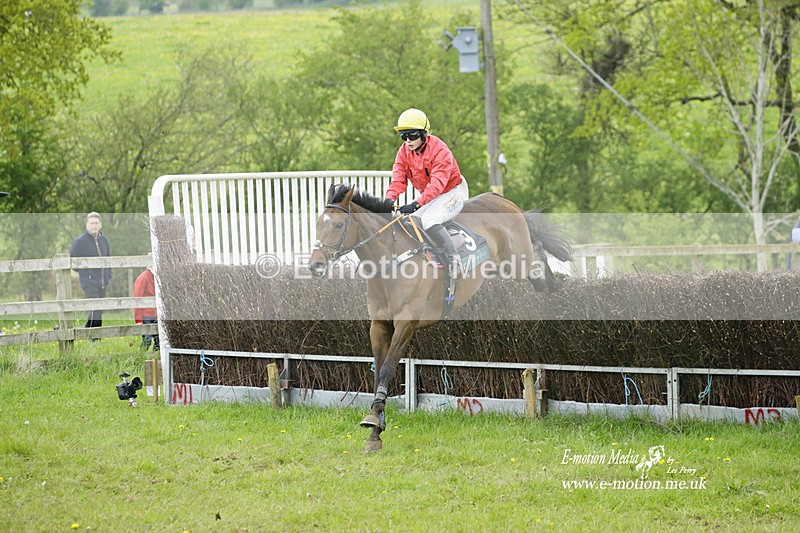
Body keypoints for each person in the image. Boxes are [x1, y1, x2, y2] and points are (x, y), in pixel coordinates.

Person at [385, 108, 469, 276]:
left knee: (430, 220)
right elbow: (398, 180)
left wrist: (416, 204)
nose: (408, 141)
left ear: (424, 134)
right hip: (431, 195)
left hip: (453, 191)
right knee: (411, 220)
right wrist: (388, 200)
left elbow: (437, 185)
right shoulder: (403, 152)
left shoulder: (440, 150)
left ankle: (455, 261)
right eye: (404, 136)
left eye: (412, 135)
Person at [70, 212, 112, 328]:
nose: (94, 225)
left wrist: (108, 274)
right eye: (91, 223)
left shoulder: (104, 240)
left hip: (103, 280)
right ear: (86, 225)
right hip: (89, 281)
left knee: (99, 308)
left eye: (96, 223)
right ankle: (95, 336)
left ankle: (88, 330)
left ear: (100, 225)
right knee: (96, 306)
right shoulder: (80, 241)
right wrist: (87, 272)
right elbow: (73, 262)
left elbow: (109, 259)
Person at [133, 265, 159, 350]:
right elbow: (137, 299)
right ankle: (141, 357)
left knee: (159, 341)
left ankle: (157, 359)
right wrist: (138, 319)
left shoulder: (157, 277)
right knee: (147, 340)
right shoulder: (143, 278)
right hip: (146, 315)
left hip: (157, 314)